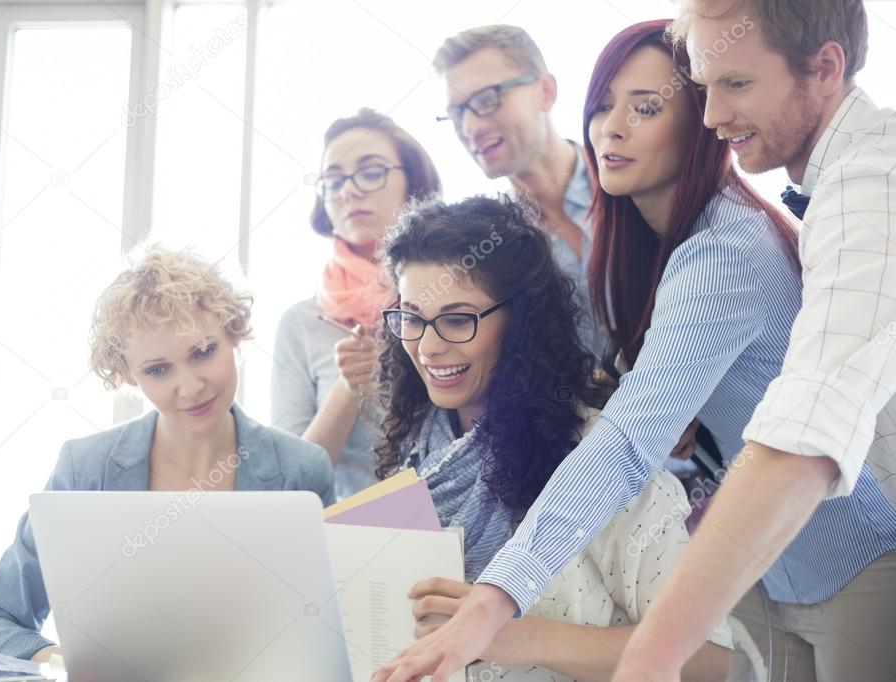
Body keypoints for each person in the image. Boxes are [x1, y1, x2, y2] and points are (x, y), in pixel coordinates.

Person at [373, 18, 895, 682]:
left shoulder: (726, 249)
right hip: (762, 571)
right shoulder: (646, 248)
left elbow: (626, 441)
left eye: (646, 108)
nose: (609, 128)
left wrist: (493, 604)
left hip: (850, 559)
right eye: (601, 107)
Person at [613, 2, 896, 680]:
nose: (711, 117)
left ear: (825, 68)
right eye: (704, 87)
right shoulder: (832, 182)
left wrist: (653, 652)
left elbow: (806, 425)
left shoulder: (869, 185)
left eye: (735, 85)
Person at [375, 194, 733, 681]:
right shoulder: (415, 455)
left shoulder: (596, 458)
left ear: (519, 322)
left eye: (458, 319)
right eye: (412, 317)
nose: (429, 347)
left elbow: (710, 662)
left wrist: (522, 636)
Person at [0, 246, 335, 661]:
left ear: (234, 331)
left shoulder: (301, 471)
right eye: (158, 370)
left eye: (202, 352)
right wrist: (67, 664)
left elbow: (332, 635)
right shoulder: (86, 470)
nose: (191, 387)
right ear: (127, 373)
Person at [271, 108, 441, 499]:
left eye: (370, 172)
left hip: (464, 540)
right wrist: (349, 389)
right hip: (348, 544)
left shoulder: (456, 298)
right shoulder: (301, 323)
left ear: (413, 182)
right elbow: (290, 481)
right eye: (333, 180)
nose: (348, 191)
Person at [433, 24, 607, 361]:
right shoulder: (489, 247)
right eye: (457, 113)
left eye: (486, 99)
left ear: (545, 91)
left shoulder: (632, 176)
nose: (470, 128)